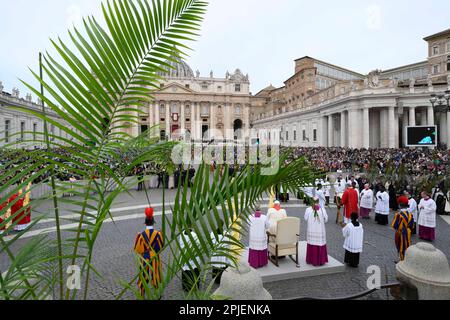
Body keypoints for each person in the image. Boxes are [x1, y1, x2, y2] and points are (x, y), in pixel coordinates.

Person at [134, 207, 164, 297]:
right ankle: (157, 295)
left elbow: (138, 249)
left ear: (145, 223)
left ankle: (142, 294)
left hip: (145, 258)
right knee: (156, 276)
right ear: (153, 222)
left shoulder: (141, 235)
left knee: (143, 276)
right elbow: (160, 247)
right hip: (155, 257)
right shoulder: (158, 234)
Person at [305, 197, 329, 267]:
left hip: (311, 230)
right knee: (320, 243)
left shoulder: (308, 209)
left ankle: (311, 260)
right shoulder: (322, 210)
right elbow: (326, 220)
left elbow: (305, 218)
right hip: (320, 230)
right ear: (318, 201)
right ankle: (320, 260)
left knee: (312, 243)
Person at [392, 196, 415, 261]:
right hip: (408, 232)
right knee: (407, 244)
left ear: (400, 205)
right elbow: (412, 225)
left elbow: (394, 225)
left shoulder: (398, 214)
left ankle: (401, 259)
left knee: (400, 245)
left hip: (400, 232)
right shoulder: (410, 214)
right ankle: (406, 258)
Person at [179, 227, 201, 292]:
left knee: (186, 270)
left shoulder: (181, 234)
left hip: (185, 257)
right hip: (193, 256)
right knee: (194, 270)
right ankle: (195, 285)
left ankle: (186, 286)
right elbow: (198, 245)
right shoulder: (194, 235)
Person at [248, 204, 270, 269]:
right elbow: (267, 226)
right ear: (261, 209)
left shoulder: (250, 217)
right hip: (261, 236)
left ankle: (253, 262)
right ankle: (261, 263)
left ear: (254, 209)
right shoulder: (264, 217)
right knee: (261, 248)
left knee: (254, 248)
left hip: (253, 236)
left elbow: (248, 225)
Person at [210, 220, 230, 284]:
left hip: (216, 253)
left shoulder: (212, 233)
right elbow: (228, 245)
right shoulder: (226, 234)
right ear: (223, 224)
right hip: (223, 254)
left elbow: (211, 244)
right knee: (222, 266)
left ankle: (215, 279)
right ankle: (222, 279)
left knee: (216, 266)